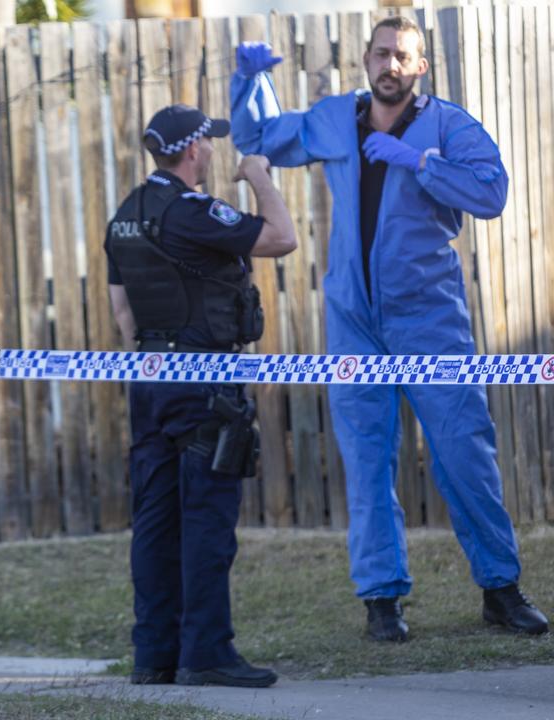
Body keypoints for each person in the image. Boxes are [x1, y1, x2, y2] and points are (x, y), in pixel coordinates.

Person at [229, 16, 548, 641]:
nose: (391, 65)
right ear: (366, 59)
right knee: (367, 459)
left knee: (464, 454)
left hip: (429, 319)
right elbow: (260, 137)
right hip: (353, 320)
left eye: (403, 56)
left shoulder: (447, 124)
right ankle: (381, 600)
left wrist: (421, 162)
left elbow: (493, 191)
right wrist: (249, 83)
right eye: (382, 54)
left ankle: (501, 590)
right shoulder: (334, 117)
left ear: (420, 67)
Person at [104, 104, 297, 688]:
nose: (212, 151)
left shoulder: (127, 212)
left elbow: (122, 312)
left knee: (155, 522)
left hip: (150, 380)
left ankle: (155, 655)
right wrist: (259, 175)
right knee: (207, 519)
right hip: (202, 383)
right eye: (208, 143)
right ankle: (207, 653)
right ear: (192, 150)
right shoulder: (191, 212)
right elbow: (281, 237)